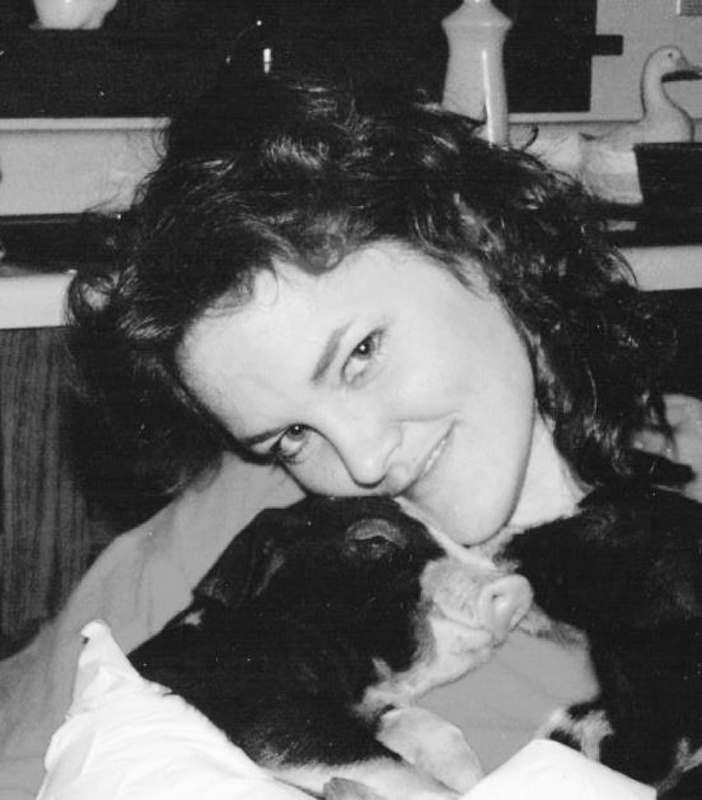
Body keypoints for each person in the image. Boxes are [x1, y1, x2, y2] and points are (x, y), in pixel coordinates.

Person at [2, 72, 702, 799]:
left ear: (471, 243)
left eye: (361, 354)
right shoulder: (244, 530)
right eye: (290, 436)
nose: (364, 460)